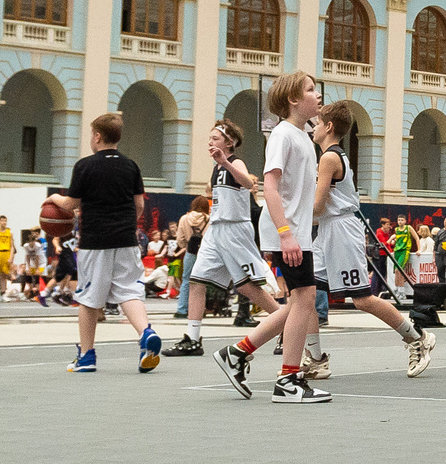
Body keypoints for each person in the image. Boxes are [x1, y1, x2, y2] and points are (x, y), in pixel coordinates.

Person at [210, 73, 332, 402]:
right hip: (286, 231)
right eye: (310, 89)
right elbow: (270, 187)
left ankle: (237, 353)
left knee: (298, 303)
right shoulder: (282, 135)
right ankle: (288, 380)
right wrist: (286, 234)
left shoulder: (303, 136)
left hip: (295, 231)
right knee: (304, 302)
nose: (317, 94)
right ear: (293, 99)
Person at [302, 104, 435, 377]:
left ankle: (417, 338)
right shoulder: (330, 156)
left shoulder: (329, 158)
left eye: (316, 123)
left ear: (329, 127)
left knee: (362, 299)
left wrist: (286, 212)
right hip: (328, 230)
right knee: (305, 294)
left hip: (341, 229)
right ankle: (315, 358)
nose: (312, 128)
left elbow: (316, 207)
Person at [43, 111, 159, 376]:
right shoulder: (131, 165)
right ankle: (146, 333)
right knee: (129, 292)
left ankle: (87, 355)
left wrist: (53, 200)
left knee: (88, 298)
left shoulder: (85, 166)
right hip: (127, 240)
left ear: (97, 136)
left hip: (96, 241)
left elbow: (71, 204)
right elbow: (139, 205)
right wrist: (127, 223)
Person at [170, 126, 269, 355]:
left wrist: (225, 162)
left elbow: (248, 184)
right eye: (209, 138)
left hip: (235, 229)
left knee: (247, 287)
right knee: (196, 280)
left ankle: (283, 322)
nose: (210, 142)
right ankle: (192, 339)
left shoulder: (235, 162)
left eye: (215, 138)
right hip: (216, 229)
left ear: (230, 141)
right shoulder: (216, 168)